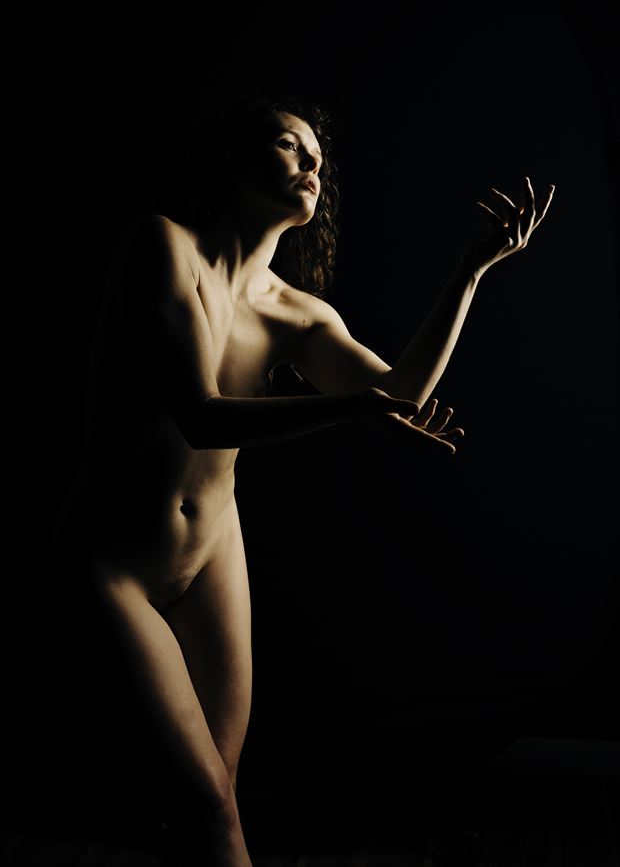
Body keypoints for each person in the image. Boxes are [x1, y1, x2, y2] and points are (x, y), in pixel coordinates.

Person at [45, 91, 554, 866]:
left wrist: (471, 271)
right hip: (115, 563)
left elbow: (401, 395)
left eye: (318, 155)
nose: (312, 163)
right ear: (232, 160)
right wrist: (352, 410)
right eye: (290, 145)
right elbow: (201, 416)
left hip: (212, 554)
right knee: (208, 805)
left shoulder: (298, 313)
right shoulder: (164, 246)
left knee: (211, 802)